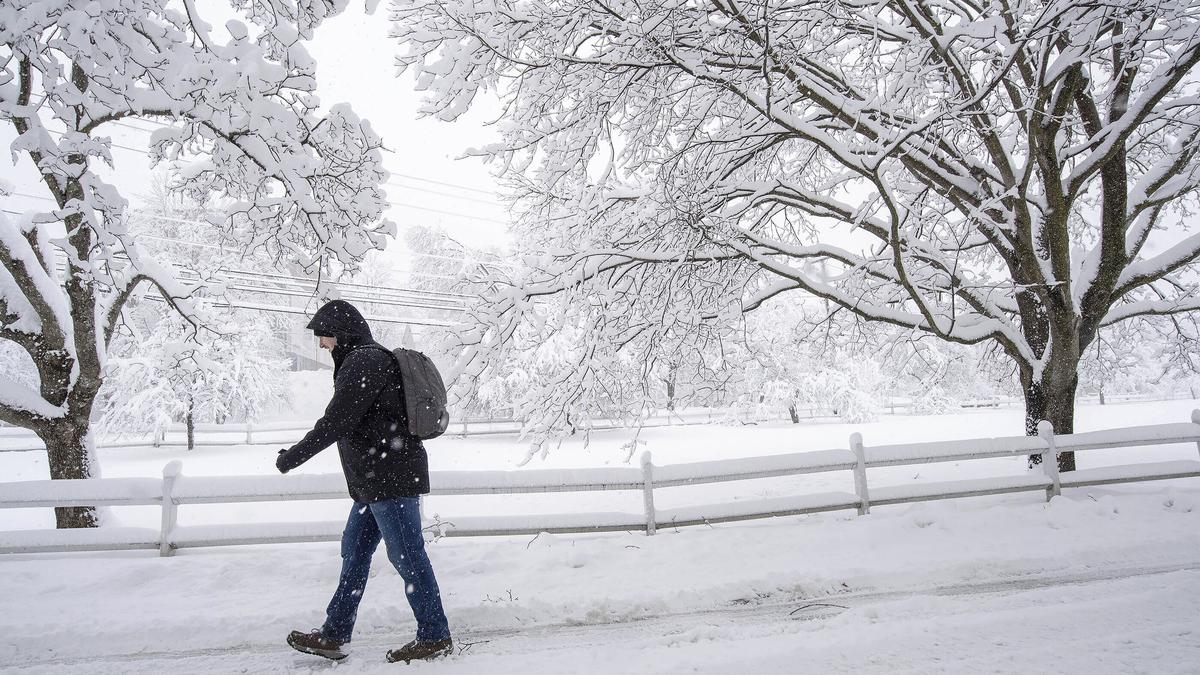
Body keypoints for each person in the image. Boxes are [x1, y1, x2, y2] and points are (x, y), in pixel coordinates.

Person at [276, 299, 453, 663]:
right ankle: (335, 634)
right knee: (354, 552)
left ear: (340, 333)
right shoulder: (360, 360)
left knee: (408, 556)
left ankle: (435, 635)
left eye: (323, 336)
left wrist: (293, 456)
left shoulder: (366, 361)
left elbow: (337, 421)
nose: (321, 345)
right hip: (374, 482)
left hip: (391, 479)